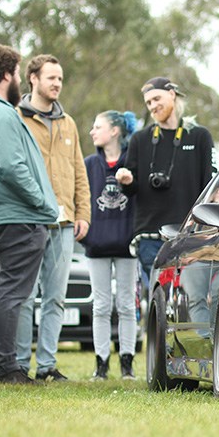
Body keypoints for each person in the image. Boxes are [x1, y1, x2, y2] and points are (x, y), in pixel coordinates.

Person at [0, 44, 59, 385]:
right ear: (6, 74)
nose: (19, 79)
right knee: (12, 293)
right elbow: (12, 166)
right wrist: (43, 204)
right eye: (18, 73)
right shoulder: (2, 112)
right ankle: (6, 368)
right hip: (17, 215)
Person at [15, 54, 91, 382]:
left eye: (60, 78)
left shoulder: (68, 123)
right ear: (33, 78)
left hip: (63, 225)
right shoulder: (16, 118)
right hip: (28, 221)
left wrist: (83, 213)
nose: (57, 83)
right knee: (24, 296)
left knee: (55, 298)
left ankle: (47, 365)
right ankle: (18, 364)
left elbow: (79, 173)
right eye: (51, 78)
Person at [115, 77, 216, 290]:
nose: (153, 106)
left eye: (156, 99)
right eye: (148, 102)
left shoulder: (199, 136)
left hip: (190, 236)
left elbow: (211, 185)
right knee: (158, 301)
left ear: (172, 94)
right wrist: (126, 179)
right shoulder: (140, 140)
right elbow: (130, 189)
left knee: (194, 298)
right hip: (150, 236)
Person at [83, 110, 139, 380]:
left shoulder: (133, 162)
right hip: (97, 244)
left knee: (127, 304)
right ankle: (101, 364)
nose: (93, 132)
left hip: (127, 244)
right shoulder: (90, 165)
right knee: (101, 306)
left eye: (98, 126)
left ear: (115, 131)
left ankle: (127, 364)